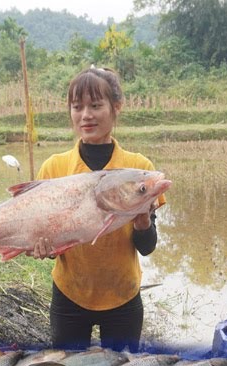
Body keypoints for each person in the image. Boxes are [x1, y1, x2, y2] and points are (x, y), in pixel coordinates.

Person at [32, 67, 166, 351]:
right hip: (70, 294)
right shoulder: (54, 168)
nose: (86, 115)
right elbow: (47, 236)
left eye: (95, 105)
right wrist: (42, 247)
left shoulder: (139, 171)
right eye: (77, 106)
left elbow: (147, 247)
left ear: (116, 107)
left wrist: (142, 221)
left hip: (123, 296)